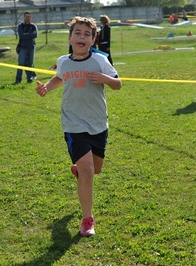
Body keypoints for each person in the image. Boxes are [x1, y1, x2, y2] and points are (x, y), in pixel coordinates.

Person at [35, 16, 122, 237]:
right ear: (70, 38)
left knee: (95, 169)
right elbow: (60, 77)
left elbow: (118, 84)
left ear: (93, 40)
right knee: (87, 170)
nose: (81, 37)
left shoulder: (101, 60)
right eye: (78, 33)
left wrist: (104, 78)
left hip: (97, 123)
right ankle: (87, 219)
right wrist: (46, 87)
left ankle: (79, 171)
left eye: (86, 34)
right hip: (73, 123)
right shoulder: (63, 61)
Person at [15, 11, 38, 84]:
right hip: (23, 47)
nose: (28, 18)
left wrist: (26, 34)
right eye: (26, 16)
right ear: (24, 17)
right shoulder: (20, 26)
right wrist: (30, 35)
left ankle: (29, 78)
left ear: (31, 17)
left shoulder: (33, 26)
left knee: (30, 64)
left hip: (31, 47)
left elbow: (35, 35)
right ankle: (18, 80)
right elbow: (21, 35)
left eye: (29, 17)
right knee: (21, 63)